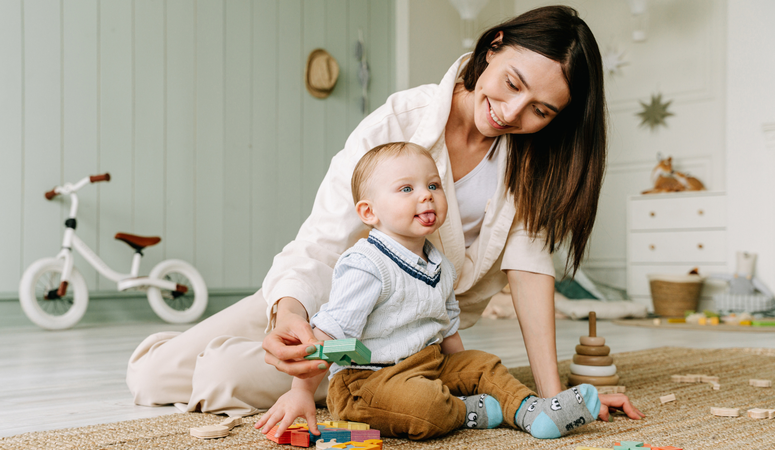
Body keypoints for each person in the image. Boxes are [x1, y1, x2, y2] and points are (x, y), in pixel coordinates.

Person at [126, 5, 643, 423]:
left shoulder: (532, 165)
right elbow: (322, 241)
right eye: (512, 83)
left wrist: (553, 398)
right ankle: (235, 344)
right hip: (329, 295)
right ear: (494, 46)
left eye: (540, 110)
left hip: (402, 338)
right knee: (149, 377)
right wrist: (288, 314)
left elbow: (530, 273)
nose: (512, 112)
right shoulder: (401, 120)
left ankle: (369, 383)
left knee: (220, 375)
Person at [254, 142, 602, 440]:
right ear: (369, 211)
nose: (426, 195)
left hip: (427, 364)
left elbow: (447, 327)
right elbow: (330, 336)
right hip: (366, 383)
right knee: (425, 404)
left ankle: (533, 412)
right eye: (407, 189)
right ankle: (465, 411)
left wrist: (465, 374)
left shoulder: (440, 264)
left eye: (434, 185)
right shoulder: (366, 264)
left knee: (485, 364)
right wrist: (300, 391)